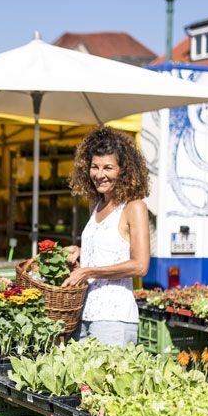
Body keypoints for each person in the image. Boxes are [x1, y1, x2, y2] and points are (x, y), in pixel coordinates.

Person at [62, 129, 150, 346]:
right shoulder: (96, 205)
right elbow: (110, 249)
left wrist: (89, 271)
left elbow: (140, 266)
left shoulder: (134, 207)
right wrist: (80, 253)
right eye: (95, 167)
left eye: (108, 167)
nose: (100, 174)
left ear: (124, 171)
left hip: (114, 319)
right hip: (83, 313)